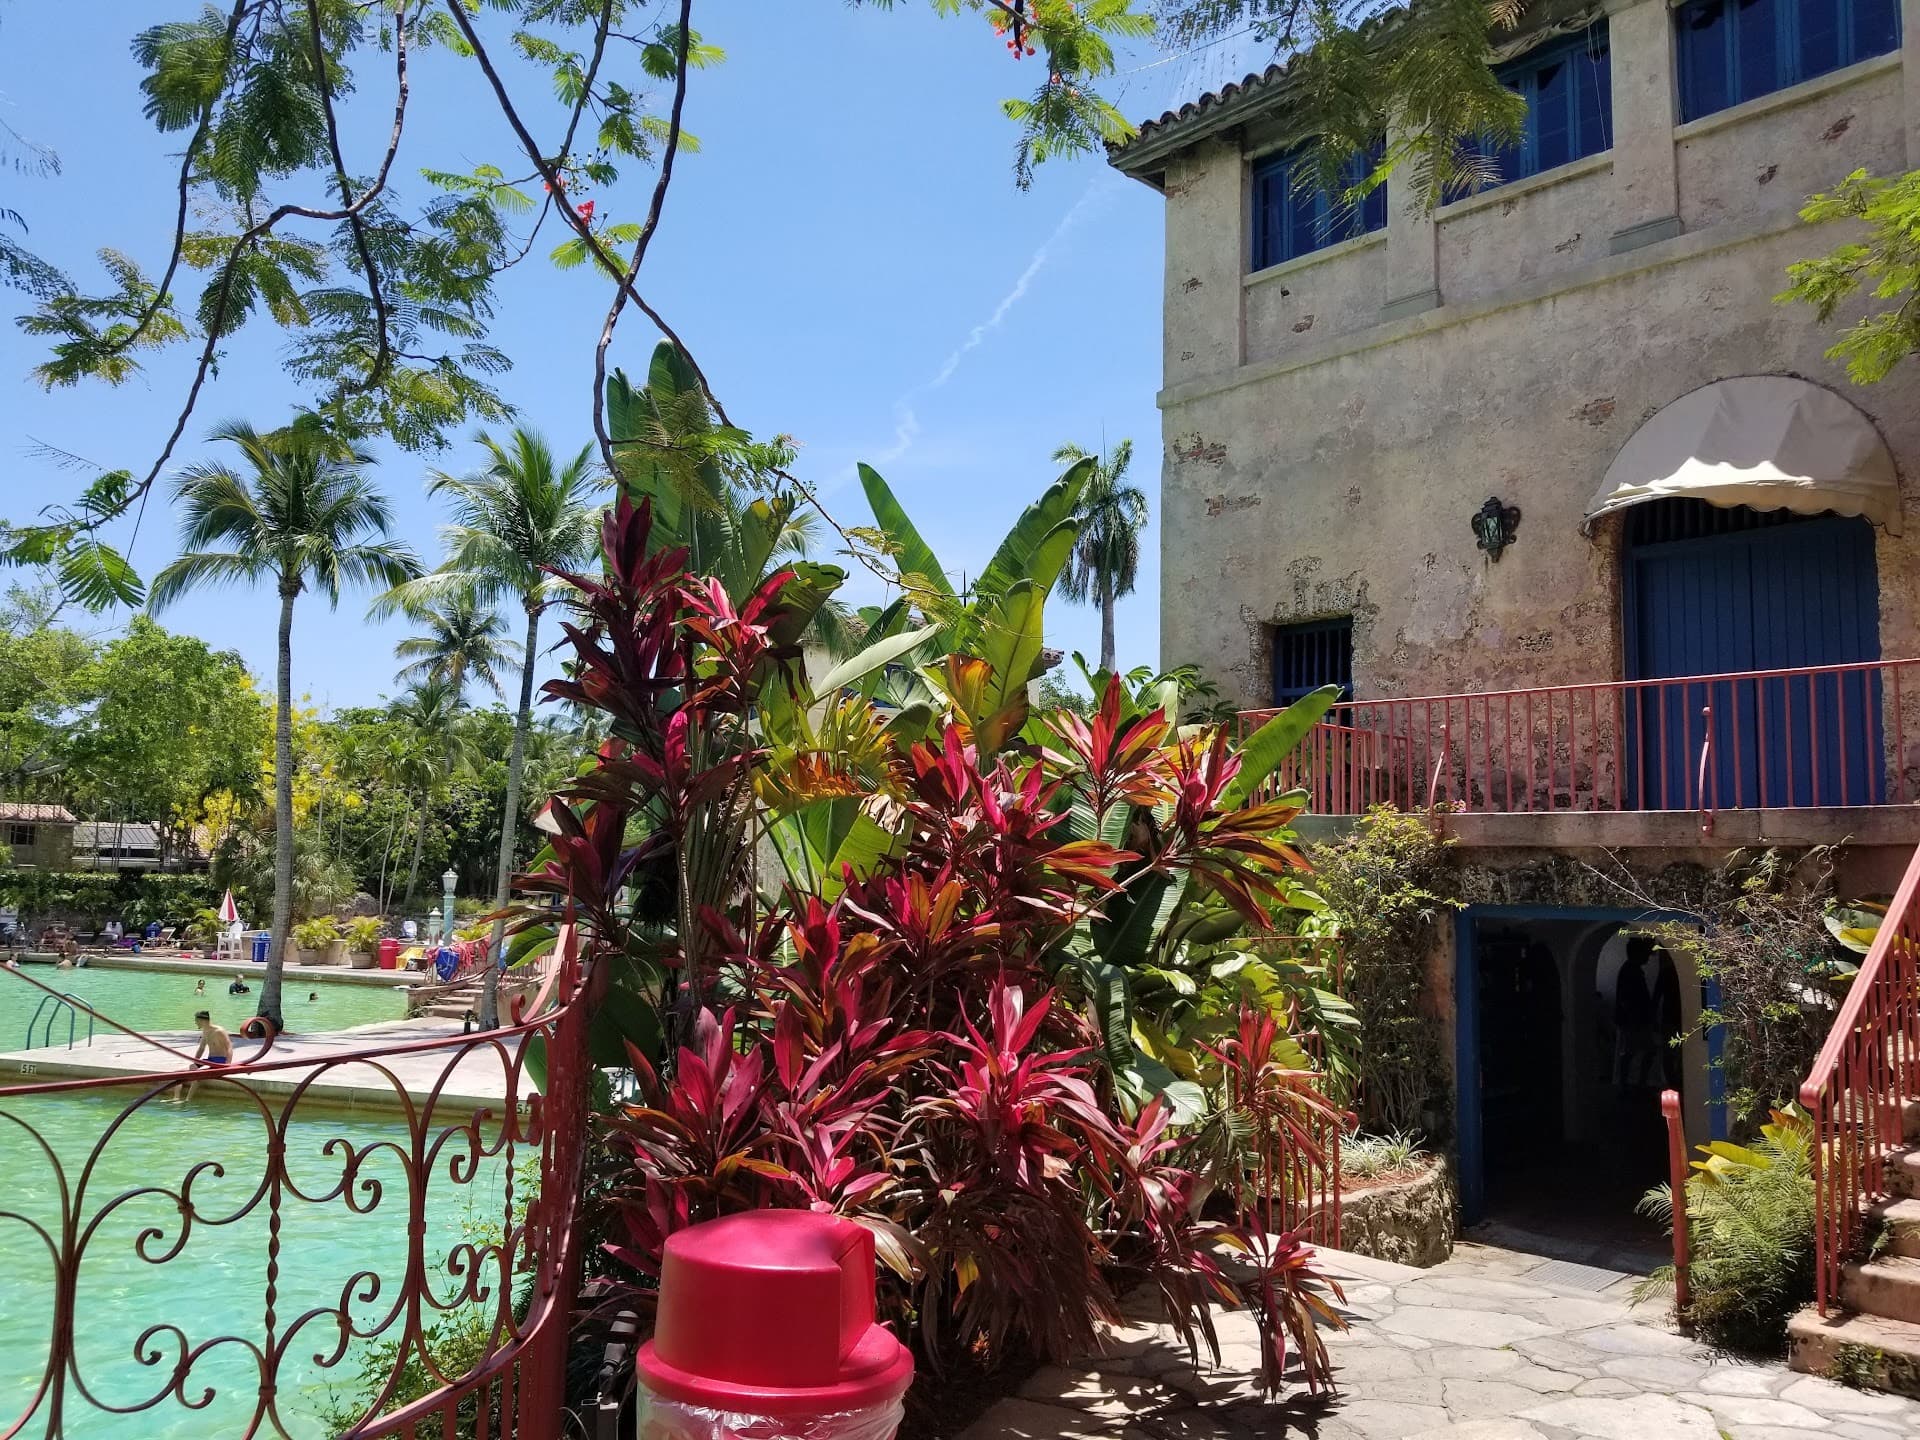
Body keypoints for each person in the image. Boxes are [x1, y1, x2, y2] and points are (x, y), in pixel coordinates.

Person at [166, 1010, 233, 1104]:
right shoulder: (205, 1031)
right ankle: (176, 1098)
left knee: (197, 1074)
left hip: (219, 1061)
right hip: (209, 1060)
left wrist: (228, 1065)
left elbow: (229, 1046)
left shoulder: (219, 1031)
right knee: (178, 1073)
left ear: (202, 1020)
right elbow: (201, 1048)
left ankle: (187, 1100)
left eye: (196, 1020)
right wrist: (195, 1062)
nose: (195, 1022)